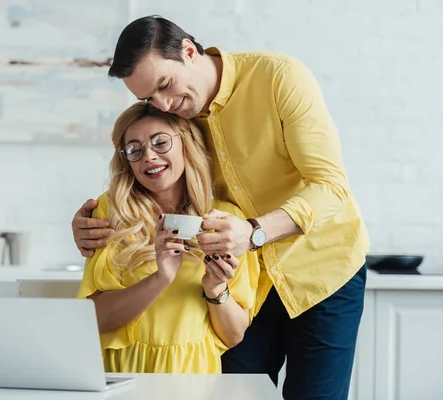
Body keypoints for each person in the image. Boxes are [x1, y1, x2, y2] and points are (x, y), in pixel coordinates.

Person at [72, 15, 370, 400]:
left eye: (164, 85)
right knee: (235, 393)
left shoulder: (279, 77)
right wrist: (94, 220)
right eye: (148, 99)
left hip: (320, 272)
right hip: (238, 281)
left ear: (189, 51)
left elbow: (331, 187)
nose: (162, 104)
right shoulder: (178, 118)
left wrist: (253, 231)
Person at [76, 101, 261, 373]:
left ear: (186, 144)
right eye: (135, 150)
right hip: (125, 373)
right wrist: (161, 277)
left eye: (160, 142)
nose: (148, 156)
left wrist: (215, 288)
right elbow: (95, 319)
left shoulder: (227, 220)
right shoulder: (110, 212)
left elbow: (234, 336)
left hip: (192, 376)